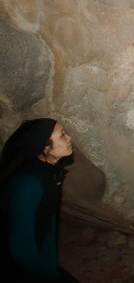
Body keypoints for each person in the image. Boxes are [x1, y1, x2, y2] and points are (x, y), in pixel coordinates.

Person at [0, 118, 79, 282]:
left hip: (32, 253)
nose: (69, 138)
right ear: (45, 148)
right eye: (62, 135)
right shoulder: (28, 184)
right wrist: (47, 275)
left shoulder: (51, 172)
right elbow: (21, 246)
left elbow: (49, 218)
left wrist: (50, 266)